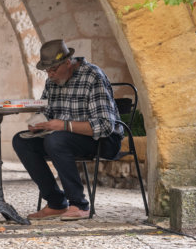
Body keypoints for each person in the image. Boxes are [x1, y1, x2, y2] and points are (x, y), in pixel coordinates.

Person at [12, 39, 123, 220]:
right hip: (64, 138)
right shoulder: (52, 82)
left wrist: (64, 125)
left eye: (53, 70)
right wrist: (38, 123)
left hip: (104, 140)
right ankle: (56, 202)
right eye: (47, 71)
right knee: (21, 140)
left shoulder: (93, 76)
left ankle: (79, 205)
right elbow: (47, 114)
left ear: (67, 62)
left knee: (56, 140)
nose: (50, 75)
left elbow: (105, 126)